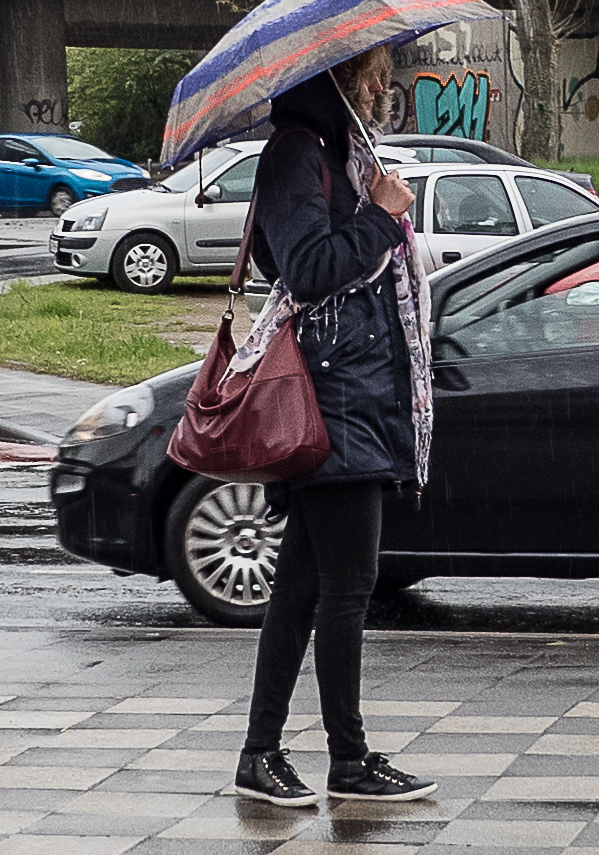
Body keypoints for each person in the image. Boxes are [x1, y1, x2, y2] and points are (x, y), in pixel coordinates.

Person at [232, 45, 437, 806]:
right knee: (347, 588)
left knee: (303, 589)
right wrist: (383, 220)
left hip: (355, 394)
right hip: (328, 401)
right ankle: (346, 762)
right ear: (336, 81)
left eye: (383, 74)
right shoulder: (298, 154)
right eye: (370, 76)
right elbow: (309, 269)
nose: (383, 88)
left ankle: (261, 752)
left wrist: (375, 206)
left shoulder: (343, 155)